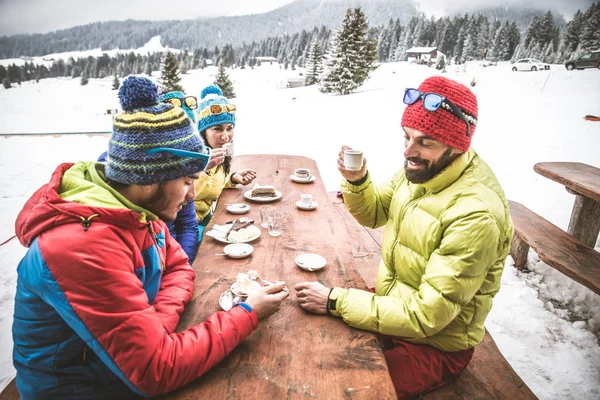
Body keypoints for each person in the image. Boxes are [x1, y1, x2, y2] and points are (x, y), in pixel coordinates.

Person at [12, 76, 289, 399]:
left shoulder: (137, 212)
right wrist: (247, 313)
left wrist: (154, 325)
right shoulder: (80, 246)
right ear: (148, 178)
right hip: (80, 388)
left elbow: (180, 267)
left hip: (114, 370)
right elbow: (157, 370)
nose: (193, 195)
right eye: (187, 181)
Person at [295, 76, 513, 399]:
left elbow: (427, 315)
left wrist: (335, 301)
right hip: (395, 307)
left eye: (425, 142)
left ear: (457, 145)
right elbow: (374, 211)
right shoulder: (423, 171)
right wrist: (357, 181)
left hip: (437, 345)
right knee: (310, 342)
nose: (409, 151)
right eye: (407, 137)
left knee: (346, 387)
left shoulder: (475, 214)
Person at [97, 90, 203, 261]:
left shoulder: (148, 211)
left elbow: (188, 227)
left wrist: (183, 264)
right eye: (187, 181)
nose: (192, 194)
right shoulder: (100, 242)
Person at [193, 85, 257, 235]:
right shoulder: (191, 156)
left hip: (203, 219)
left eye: (229, 128)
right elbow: (188, 193)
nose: (225, 136)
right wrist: (203, 168)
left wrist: (233, 178)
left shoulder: (218, 154)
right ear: (203, 132)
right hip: (184, 228)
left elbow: (212, 183)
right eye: (217, 129)